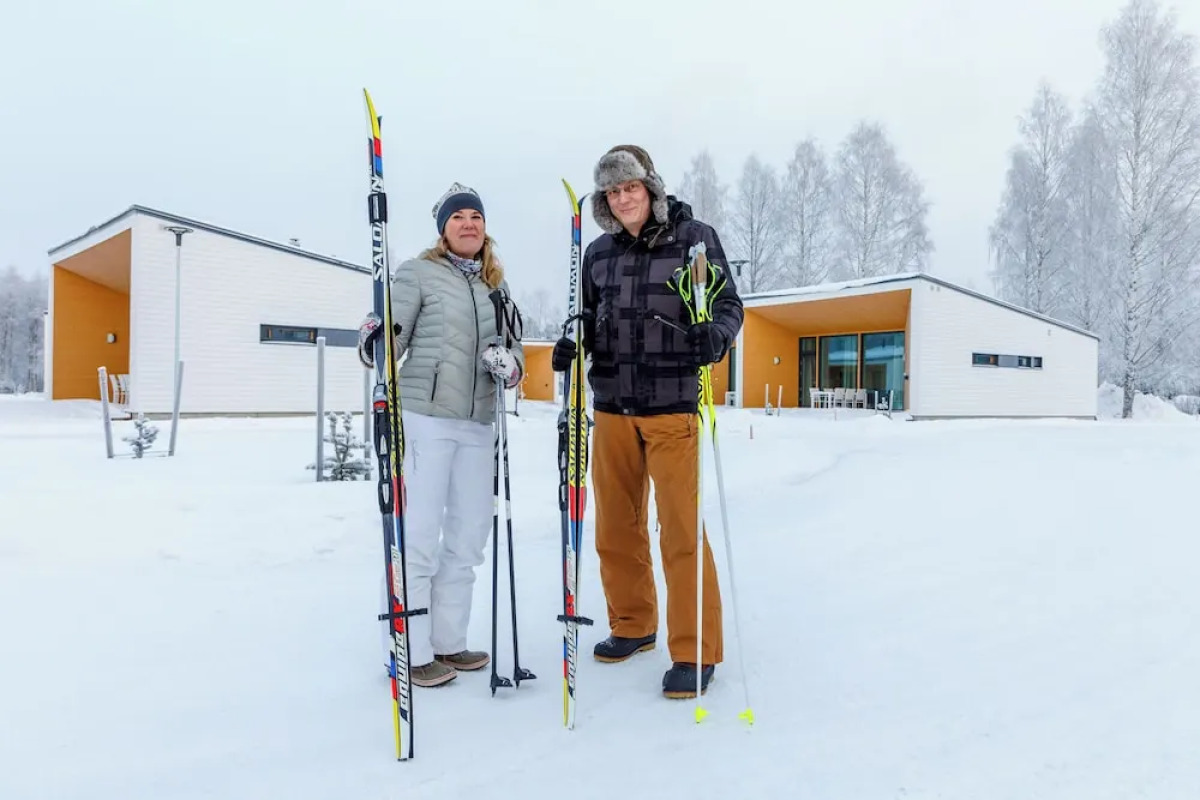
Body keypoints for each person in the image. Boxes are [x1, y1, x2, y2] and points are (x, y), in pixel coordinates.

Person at [551, 145, 744, 698]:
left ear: (650, 188)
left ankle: (695, 650)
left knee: (680, 531)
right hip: (612, 405)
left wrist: (718, 335)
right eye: (612, 191)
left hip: (672, 407)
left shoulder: (694, 238)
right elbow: (588, 316)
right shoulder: (599, 254)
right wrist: (573, 343)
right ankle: (633, 625)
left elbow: (729, 304)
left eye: (630, 187)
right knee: (615, 528)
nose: (623, 198)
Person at [358, 182, 524, 688]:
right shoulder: (418, 273)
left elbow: (515, 351)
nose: (469, 224)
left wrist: (509, 367)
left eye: (476, 216)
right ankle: (413, 646)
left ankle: (451, 640)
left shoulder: (496, 286)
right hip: (425, 418)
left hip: (478, 422)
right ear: (443, 229)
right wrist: (374, 337)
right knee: (421, 535)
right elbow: (387, 340)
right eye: (458, 218)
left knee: (470, 537)